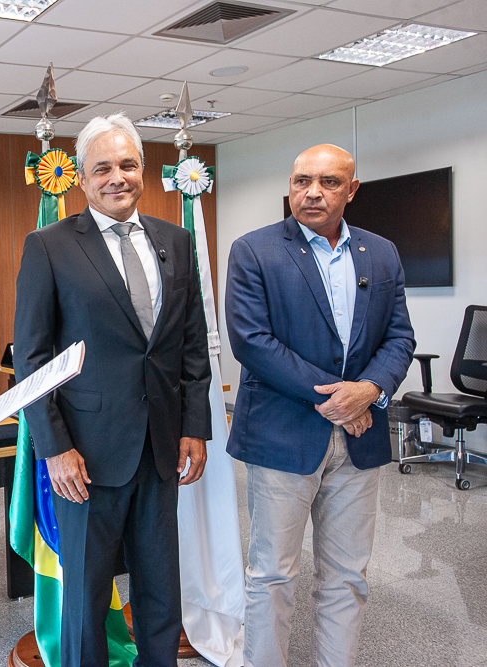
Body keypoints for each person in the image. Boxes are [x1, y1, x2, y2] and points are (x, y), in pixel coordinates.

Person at [14, 113, 212, 667]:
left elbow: (191, 345)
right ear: (82, 177)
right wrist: (54, 447)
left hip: (162, 448)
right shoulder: (49, 246)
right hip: (85, 455)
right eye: (102, 168)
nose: (117, 177)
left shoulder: (176, 242)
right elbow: (32, 360)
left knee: (160, 588)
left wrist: (195, 426)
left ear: (143, 171)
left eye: (128, 165)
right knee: (86, 594)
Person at [225, 144, 415, 667]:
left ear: (351, 191)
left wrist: (369, 389)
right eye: (302, 180)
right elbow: (252, 342)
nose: (312, 192)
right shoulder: (254, 250)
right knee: (272, 574)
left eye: (329, 182)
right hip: (281, 438)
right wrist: (342, 399)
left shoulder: (382, 253)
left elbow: (399, 337)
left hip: (360, 441)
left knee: (348, 576)